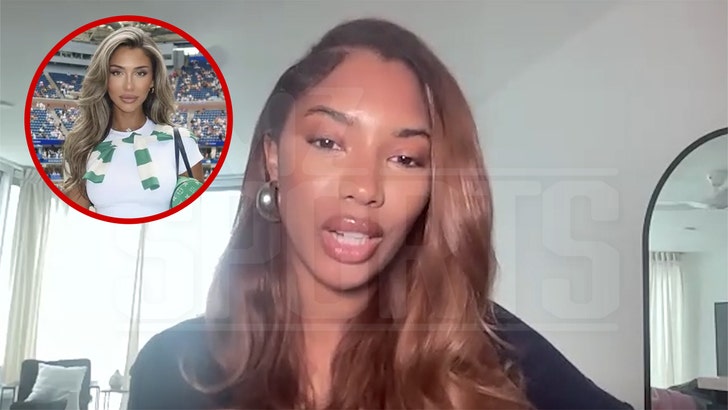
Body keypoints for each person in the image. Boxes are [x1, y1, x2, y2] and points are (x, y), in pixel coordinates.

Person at [128, 18, 633, 409]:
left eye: (405, 159)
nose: (365, 188)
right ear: (273, 157)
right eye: (328, 142)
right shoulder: (174, 367)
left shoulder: (487, 347)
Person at [61, 26, 204, 218]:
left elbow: (195, 219)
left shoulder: (182, 142)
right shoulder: (84, 145)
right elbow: (71, 220)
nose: (129, 86)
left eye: (140, 73)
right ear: (104, 78)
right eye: (117, 72)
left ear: (153, 80)